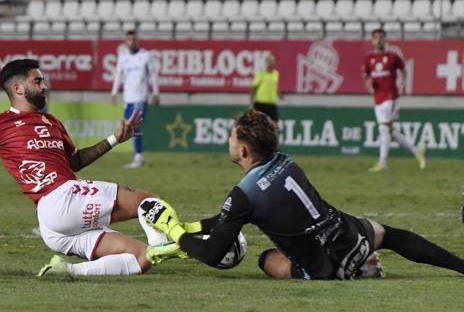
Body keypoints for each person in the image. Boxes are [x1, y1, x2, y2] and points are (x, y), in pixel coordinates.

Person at [142, 109, 464, 280]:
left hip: (323, 266)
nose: (228, 141)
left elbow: (213, 255)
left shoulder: (244, 196)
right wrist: (196, 227)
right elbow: (228, 219)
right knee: (390, 234)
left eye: (231, 137)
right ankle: (459, 266)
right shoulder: (285, 160)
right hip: (347, 235)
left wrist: (174, 231)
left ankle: (356, 271)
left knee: (266, 260)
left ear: (242, 150)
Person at [0, 59, 168, 277]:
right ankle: (169, 243)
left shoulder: (52, 122)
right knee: (150, 202)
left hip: (54, 224)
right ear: (18, 88)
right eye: (37, 80)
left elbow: (75, 162)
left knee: (142, 258)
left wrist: (114, 140)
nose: (44, 86)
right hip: (59, 199)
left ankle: (67, 270)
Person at [362, 28, 426, 172]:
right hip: (378, 98)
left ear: (385, 39)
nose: (379, 40)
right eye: (376, 37)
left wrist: (403, 83)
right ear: (372, 41)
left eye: (381, 37)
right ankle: (417, 151)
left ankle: (382, 162)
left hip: (391, 96)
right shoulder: (369, 58)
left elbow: (403, 70)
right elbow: (366, 76)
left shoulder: (392, 56)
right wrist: (368, 84)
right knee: (390, 132)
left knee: (384, 128)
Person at [111, 30, 159, 168]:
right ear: (126, 41)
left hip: (140, 97)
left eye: (134, 39)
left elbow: (152, 75)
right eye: (129, 39)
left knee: (135, 125)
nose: (131, 42)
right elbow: (118, 75)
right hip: (128, 97)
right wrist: (114, 93)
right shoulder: (123, 57)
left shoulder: (146, 56)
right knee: (129, 127)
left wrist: (155, 92)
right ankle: (138, 156)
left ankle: (138, 156)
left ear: (138, 41)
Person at [250, 53, 283, 122]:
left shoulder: (276, 74)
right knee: (258, 124)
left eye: (273, 61)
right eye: (270, 61)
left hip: (271, 104)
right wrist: (251, 104)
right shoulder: (261, 74)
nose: (272, 63)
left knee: (274, 124)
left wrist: (279, 94)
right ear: (266, 62)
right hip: (260, 104)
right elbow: (253, 89)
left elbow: (275, 86)